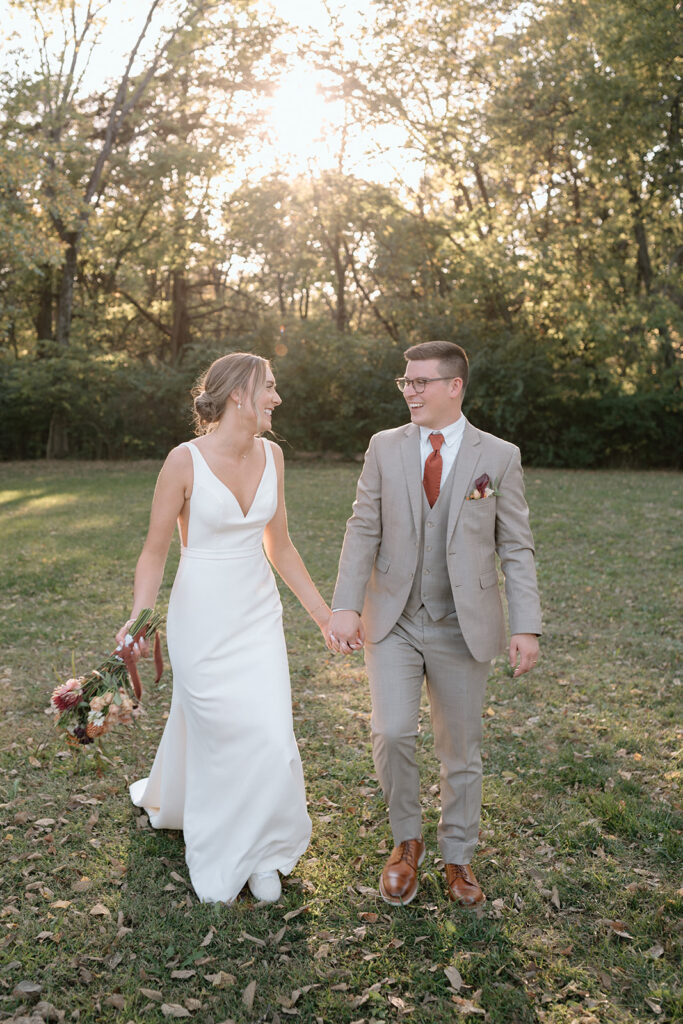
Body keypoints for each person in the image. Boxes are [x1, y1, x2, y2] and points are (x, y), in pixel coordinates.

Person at [327, 340, 541, 908]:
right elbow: (361, 527)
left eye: (421, 382)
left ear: (454, 387)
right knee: (392, 731)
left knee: (460, 747)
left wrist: (527, 625)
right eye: (405, 382)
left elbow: (516, 548)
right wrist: (345, 603)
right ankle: (406, 842)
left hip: (463, 624)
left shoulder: (498, 456)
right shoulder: (384, 447)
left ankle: (458, 854)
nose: (410, 391)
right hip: (392, 616)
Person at [117, 352, 332, 904]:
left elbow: (279, 545)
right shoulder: (183, 462)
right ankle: (223, 854)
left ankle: (264, 851)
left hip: (257, 615)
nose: (276, 399)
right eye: (270, 388)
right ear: (239, 394)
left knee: (268, 732)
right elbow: (154, 551)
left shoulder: (274, 456)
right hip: (202, 617)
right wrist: (142, 619)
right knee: (221, 733)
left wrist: (324, 616)